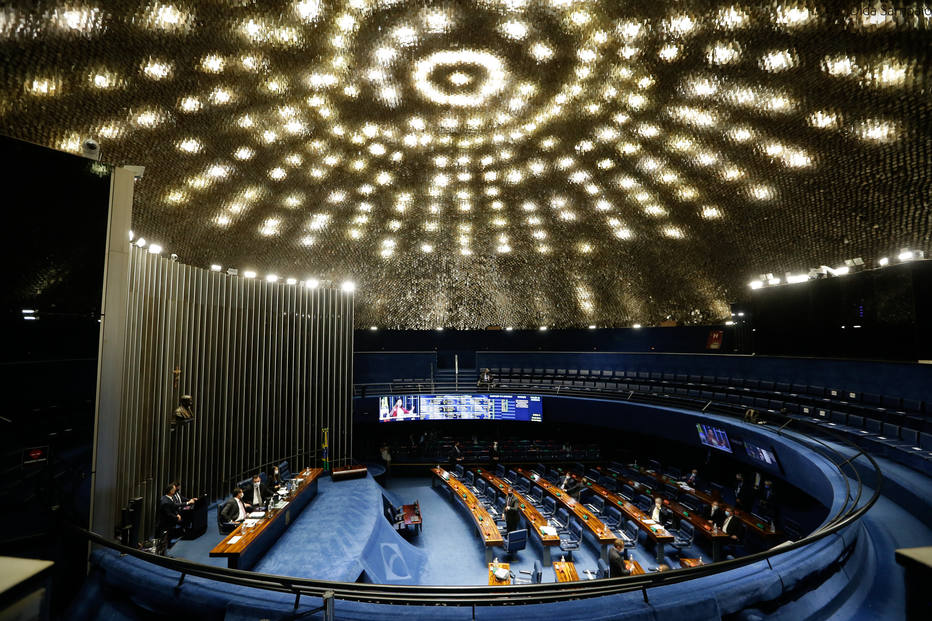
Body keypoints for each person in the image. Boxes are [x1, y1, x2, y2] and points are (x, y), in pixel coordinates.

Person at [158, 484, 182, 552]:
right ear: (171, 491)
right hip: (166, 522)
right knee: (166, 535)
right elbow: (168, 514)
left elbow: (174, 507)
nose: (175, 490)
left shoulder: (170, 498)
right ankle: (165, 547)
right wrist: (176, 518)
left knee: (170, 533)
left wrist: (177, 514)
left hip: (170, 521)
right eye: (174, 489)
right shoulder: (165, 501)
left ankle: (169, 544)